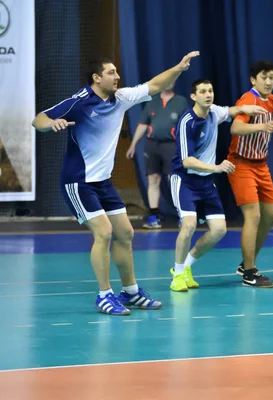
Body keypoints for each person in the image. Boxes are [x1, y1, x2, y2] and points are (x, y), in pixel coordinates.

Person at [31, 51, 200, 315]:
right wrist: (51, 123)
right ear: (97, 78)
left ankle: (130, 292)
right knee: (104, 232)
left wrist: (178, 67)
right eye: (111, 73)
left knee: (125, 233)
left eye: (117, 72)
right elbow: (38, 119)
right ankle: (104, 295)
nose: (117, 76)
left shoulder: (120, 98)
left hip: (103, 182)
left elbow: (154, 85)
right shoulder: (80, 102)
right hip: (79, 182)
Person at [168, 79, 268, 292]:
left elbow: (230, 111)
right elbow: (187, 161)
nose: (208, 94)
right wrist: (217, 168)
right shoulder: (188, 121)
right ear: (193, 96)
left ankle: (186, 267)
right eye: (203, 91)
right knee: (189, 224)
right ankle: (177, 275)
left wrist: (245, 108)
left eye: (210, 90)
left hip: (206, 182)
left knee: (219, 230)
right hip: (185, 180)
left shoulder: (213, 112)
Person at [228, 60, 273, 288]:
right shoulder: (249, 100)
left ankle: (246, 263)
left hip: (261, 165)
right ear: (253, 80)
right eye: (264, 77)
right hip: (241, 164)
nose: (268, 82)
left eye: (271, 77)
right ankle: (249, 272)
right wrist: (261, 127)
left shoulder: (272, 101)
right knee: (253, 216)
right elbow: (235, 128)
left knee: (270, 216)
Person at [126, 82, 188, 228]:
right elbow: (143, 124)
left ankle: (182, 215)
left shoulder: (181, 102)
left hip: (171, 146)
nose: (169, 82)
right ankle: (154, 217)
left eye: (173, 80)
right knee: (153, 179)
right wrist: (133, 145)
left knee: (173, 180)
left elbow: (186, 125)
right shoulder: (152, 101)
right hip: (152, 146)